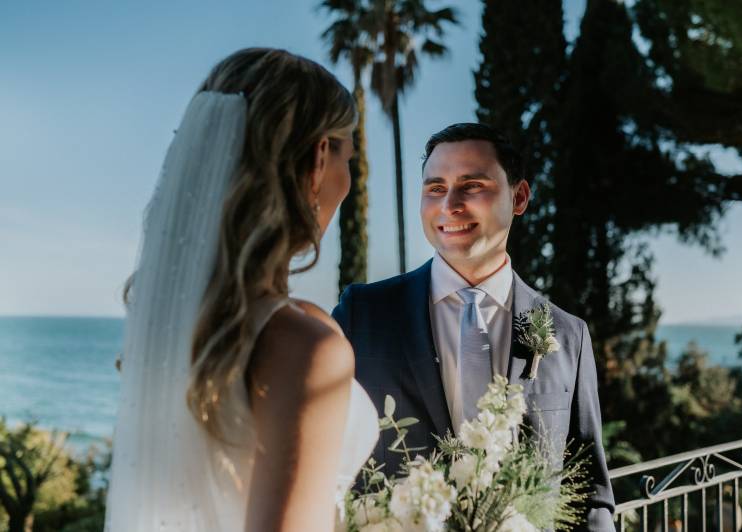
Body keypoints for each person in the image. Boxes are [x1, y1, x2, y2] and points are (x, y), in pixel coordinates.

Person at [105, 48, 378, 531]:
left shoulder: (178, 324)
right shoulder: (305, 347)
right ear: (319, 158)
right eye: (349, 158)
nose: (348, 179)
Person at [333, 123, 616, 530]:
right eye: (435, 188)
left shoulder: (568, 335)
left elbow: (591, 495)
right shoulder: (363, 315)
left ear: (518, 197)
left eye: (472, 186)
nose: (450, 204)